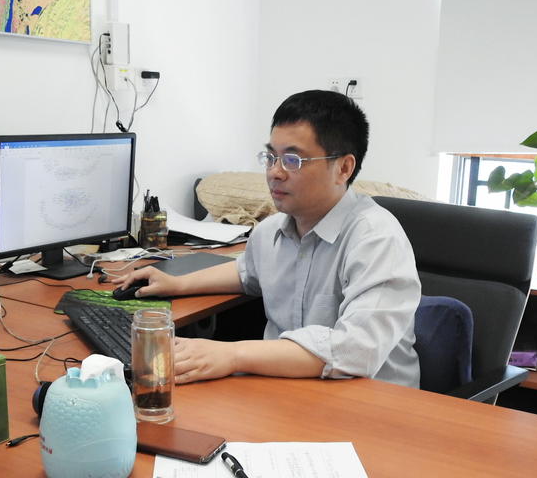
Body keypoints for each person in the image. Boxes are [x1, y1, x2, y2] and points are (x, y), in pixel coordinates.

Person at [112, 90, 421, 387]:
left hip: (370, 401)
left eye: (292, 160)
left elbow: (356, 350)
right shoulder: (269, 231)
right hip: (288, 389)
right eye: (271, 157)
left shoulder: (377, 239)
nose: (275, 172)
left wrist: (231, 355)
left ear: (343, 168)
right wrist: (176, 284)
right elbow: (247, 272)